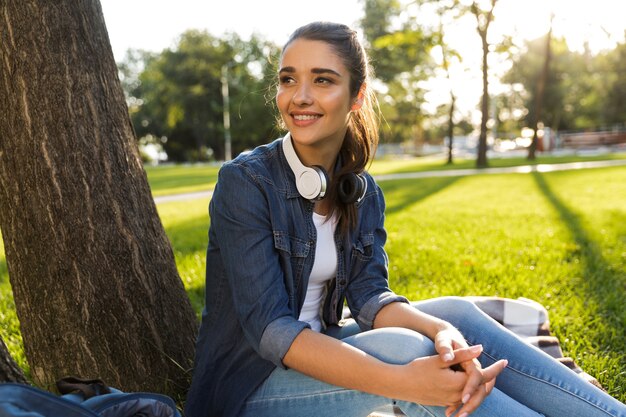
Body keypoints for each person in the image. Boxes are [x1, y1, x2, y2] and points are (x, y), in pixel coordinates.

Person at [185, 21, 626, 417]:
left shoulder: (361, 190)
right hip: (247, 388)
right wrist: (407, 383)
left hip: (325, 348)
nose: (300, 96)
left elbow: (369, 298)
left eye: (323, 80)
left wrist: (441, 330)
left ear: (356, 97)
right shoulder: (246, 182)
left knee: (455, 317)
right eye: (288, 79)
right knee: (405, 352)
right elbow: (272, 331)